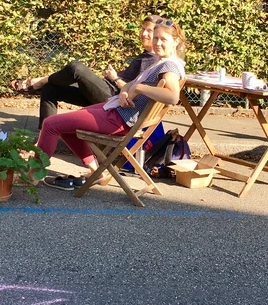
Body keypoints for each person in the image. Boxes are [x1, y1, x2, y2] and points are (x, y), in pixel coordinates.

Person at [35, 18, 186, 190]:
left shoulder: (169, 67)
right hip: (116, 110)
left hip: (119, 120)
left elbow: (173, 97)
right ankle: (96, 172)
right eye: (156, 38)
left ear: (176, 42)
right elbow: (131, 84)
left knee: (51, 124)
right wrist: (125, 91)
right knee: (68, 124)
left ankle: (33, 173)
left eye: (163, 39)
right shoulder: (162, 61)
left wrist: (139, 88)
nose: (157, 43)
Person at [10, 15, 161, 128]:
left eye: (149, 31)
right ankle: (43, 139)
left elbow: (137, 91)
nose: (143, 34)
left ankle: (40, 81)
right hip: (106, 90)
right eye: (142, 29)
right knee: (51, 89)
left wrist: (115, 78)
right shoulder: (146, 55)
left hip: (113, 99)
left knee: (76, 68)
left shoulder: (153, 60)